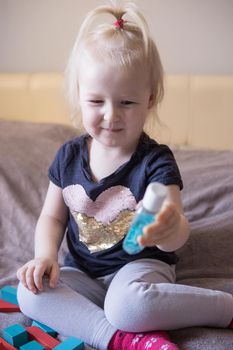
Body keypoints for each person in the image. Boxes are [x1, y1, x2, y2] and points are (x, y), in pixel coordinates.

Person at [17, 2, 233, 350]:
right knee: (30, 295)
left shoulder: (155, 162)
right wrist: (45, 256)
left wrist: (167, 229)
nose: (111, 115)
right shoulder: (68, 156)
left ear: (150, 99)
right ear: (79, 97)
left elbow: (176, 228)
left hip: (139, 270)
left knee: (128, 306)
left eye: (127, 103)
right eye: (96, 101)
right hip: (81, 272)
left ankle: (225, 309)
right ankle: (118, 339)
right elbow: (51, 217)